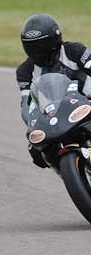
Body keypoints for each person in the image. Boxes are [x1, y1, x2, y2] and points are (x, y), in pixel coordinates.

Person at [17, 13, 91, 167]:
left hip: (87, 101)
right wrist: (32, 125)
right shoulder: (25, 71)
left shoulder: (74, 50)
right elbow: (26, 104)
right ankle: (70, 173)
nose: (38, 52)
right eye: (33, 48)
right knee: (37, 151)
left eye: (41, 47)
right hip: (57, 113)